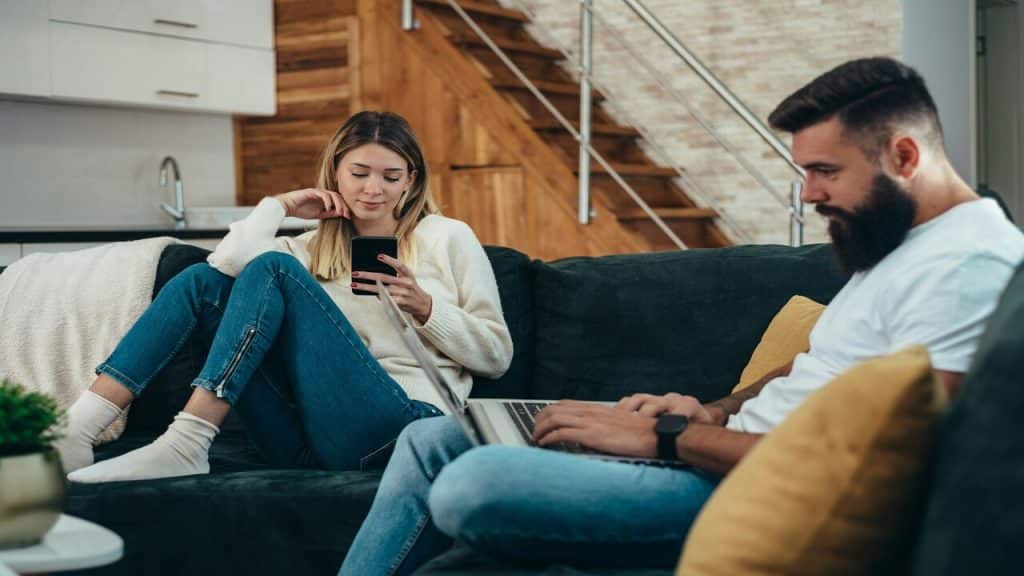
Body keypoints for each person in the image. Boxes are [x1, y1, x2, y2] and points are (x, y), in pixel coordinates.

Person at [339, 57, 1024, 576]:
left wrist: (666, 438)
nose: (808, 194)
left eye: (825, 171)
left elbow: (893, 462)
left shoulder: (969, 269)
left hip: (746, 488)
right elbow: (816, 363)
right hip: (713, 450)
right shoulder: (900, 245)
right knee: (433, 440)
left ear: (904, 156)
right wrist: (711, 410)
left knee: (472, 483)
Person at [58, 110, 513, 483]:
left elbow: (496, 355)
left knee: (273, 268)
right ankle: (76, 431)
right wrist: (280, 206)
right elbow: (224, 264)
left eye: (391, 176)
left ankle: (188, 440)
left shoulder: (445, 236)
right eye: (358, 173)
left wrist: (427, 308)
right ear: (335, 173)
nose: (373, 189)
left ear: (410, 180)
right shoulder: (305, 248)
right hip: (305, 441)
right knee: (203, 282)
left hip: (402, 427)